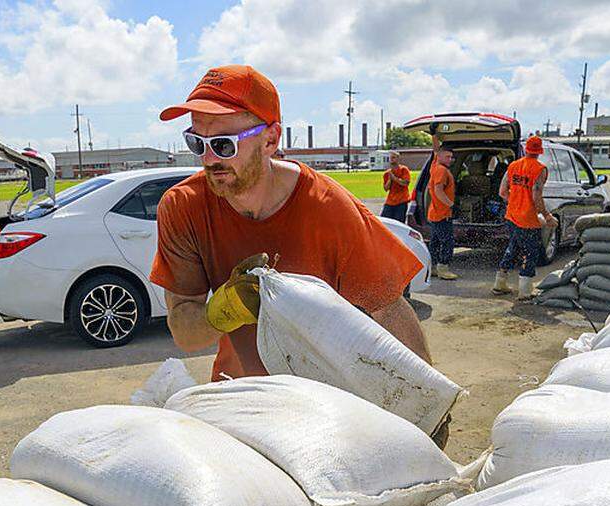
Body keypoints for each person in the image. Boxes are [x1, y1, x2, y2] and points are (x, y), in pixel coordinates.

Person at [150, 64, 432, 385]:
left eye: (224, 144)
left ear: (270, 140)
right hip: (240, 393)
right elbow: (186, 335)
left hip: (325, 400)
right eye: (197, 143)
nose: (210, 159)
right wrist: (226, 308)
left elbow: (388, 308)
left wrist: (429, 399)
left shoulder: (328, 207)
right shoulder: (183, 206)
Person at [494, 135, 557, 299]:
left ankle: (500, 282)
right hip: (528, 220)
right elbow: (536, 196)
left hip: (512, 216)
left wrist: (515, 201)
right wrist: (547, 215)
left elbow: (502, 192)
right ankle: (525, 291)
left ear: (526, 149)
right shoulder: (539, 169)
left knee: (513, 247)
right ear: (539, 151)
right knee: (530, 253)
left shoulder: (513, 166)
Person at [426, 133, 458, 280]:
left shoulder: (435, 165)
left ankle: (432, 268)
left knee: (435, 242)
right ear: (440, 156)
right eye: (448, 157)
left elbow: (435, 150)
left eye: (452, 157)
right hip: (442, 214)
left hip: (434, 213)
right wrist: (452, 205)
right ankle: (443, 268)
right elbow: (438, 191)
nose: (450, 160)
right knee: (447, 242)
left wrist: (434, 135)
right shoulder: (442, 170)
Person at [380, 151, 411, 223]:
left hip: (401, 200)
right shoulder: (387, 173)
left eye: (393, 157)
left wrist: (395, 179)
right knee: (385, 221)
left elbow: (405, 183)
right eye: (390, 158)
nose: (391, 159)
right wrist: (390, 180)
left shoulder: (404, 169)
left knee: (399, 222)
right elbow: (386, 188)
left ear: (398, 159)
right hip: (390, 201)